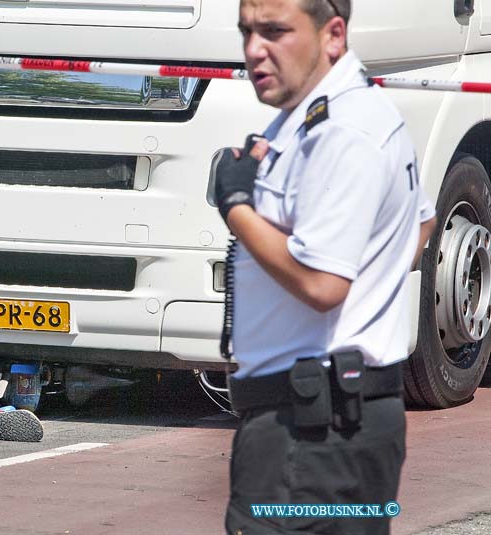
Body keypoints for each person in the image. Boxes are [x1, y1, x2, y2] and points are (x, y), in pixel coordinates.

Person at [214, 1, 438, 534]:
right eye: (246, 31)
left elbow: (321, 284)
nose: (253, 50)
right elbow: (420, 224)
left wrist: (236, 204)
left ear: (333, 34)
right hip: (337, 419)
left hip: (309, 434)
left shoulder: (340, 131)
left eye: (274, 32)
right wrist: (372, 286)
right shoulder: (338, 113)